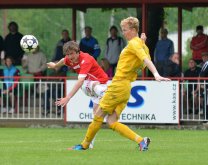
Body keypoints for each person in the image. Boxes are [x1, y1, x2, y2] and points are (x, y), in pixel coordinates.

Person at [66, 17, 170, 151]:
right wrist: (143, 42)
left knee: (98, 115)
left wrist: (156, 74)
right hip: (126, 88)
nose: (123, 33)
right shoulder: (141, 45)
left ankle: (83, 145)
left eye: (125, 30)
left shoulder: (134, 44)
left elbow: (145, 60)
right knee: (111, 121)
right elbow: (143, 62)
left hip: (118, 85)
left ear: (133, 30)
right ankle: (141, 141)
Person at [47, 41, 109, 147]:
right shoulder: (69, 59)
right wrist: (55, 65)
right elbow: (63, 61)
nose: (70, 56)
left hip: (101, 84)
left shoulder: (86, 59)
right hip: (93, 87)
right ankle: (90, 143)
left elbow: (80, 81)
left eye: (72, 54)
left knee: (83, 84)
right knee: (96, 117)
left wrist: (68, 97)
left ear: (78, 52)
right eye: (68, 54)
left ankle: (105, 94)